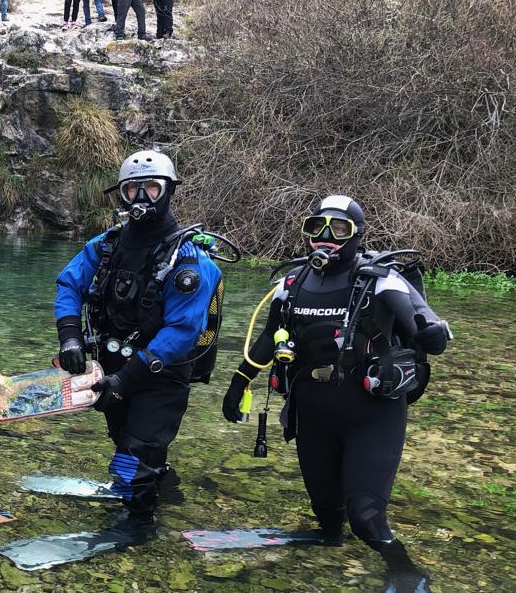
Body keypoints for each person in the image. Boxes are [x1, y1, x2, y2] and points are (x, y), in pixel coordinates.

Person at [221, 196, 450, 589]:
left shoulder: (380, 280)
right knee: (328, 513)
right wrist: (239, 381)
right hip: (313, 413)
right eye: (316, 228)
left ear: (357, 235)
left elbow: (424, 322)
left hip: (372, 414)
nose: (325, 238)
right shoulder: (290, 285)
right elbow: (265, 340)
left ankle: (405, 569)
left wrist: (432, 334)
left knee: (365, 517)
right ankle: (329, 539)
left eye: (338, 229)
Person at [54, 149, 222, 536]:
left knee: (135, 453)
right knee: (122, 441)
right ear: (121, 195)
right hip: (113, 369)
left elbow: (182, 332)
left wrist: (125, 381)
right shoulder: (106, 246)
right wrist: (70, 339)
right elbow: (68, 284)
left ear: (169, 191)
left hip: (159, 376)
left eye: (151, 187)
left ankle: (139, 525)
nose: (141, 198)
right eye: (132, 189)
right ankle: (156, 482)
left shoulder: (189, 262)